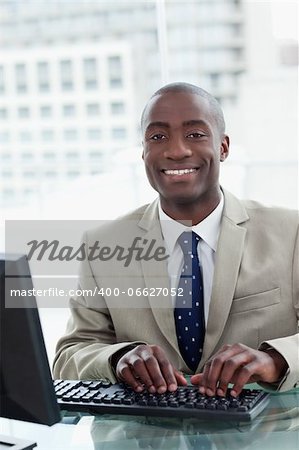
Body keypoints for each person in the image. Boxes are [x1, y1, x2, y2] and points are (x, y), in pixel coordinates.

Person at [53, 82, 299, 397]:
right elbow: (69, 356)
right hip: (144, 440)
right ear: (143, 151)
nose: (176, 150)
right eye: (158, 137)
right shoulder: (103, 246)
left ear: (223, 147)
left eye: (195, 134)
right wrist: (116, 359)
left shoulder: (290, 232)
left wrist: (274, 360)